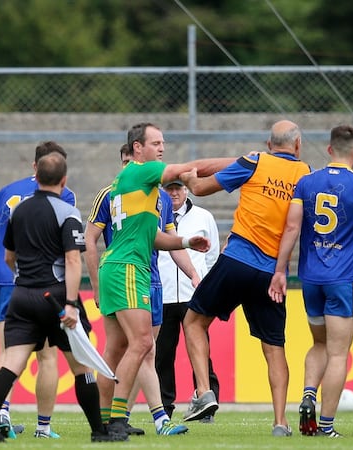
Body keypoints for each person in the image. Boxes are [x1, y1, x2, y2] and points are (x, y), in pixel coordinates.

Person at [0, 152, 125, 443]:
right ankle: (98, 431)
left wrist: (24, 278)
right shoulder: (66, 212)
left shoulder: (19, 211)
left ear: (37, 177)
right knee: (81, 366)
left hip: (21, 294)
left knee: (11, 362)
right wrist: (69, 304)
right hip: (54, 297)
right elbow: (72, 261)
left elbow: (8, 256)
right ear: (64, 180)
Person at [180, 119, 311, 436]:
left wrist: (183, 174)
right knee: (274, 348)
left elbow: (199, 188)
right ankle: (280, 422)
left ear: (269, 144)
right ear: (297, 145)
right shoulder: (305, 174)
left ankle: (204, 392)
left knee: (194, 321)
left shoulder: (254, 161)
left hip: (238, 259)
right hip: (272, 273)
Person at [100, 123, 229, 440]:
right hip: (129, 268)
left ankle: (103, 420)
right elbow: (188, 170)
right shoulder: (141, 172)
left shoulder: (128, 183)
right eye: (155, 142)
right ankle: (118, 418)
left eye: (163, 142)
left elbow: (154, 236)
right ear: (137, 149)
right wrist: (238, 163)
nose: (161, 147)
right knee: (144, 344)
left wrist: (185, 242)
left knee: (118, 349)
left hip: (120, 266)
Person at [268, 125, 353, 437]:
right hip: (342, 279)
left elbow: (292, 228)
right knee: (338, 352)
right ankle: (325, 425)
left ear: (328, 149)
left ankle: (309, 393)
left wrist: (280, 270)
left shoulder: (306, 182)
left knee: (319, 343)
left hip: (310, 278)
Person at [86, 143, 201, 435]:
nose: (129, 168)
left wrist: (192, 273)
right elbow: (90, 239)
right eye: (124, 162)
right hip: (125, 272)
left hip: (149, 277)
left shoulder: (160, 197)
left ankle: (115, 421)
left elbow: (166, 239)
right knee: (140, 347)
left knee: (135, 350)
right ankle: (144, 419)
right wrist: (95, 288)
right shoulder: (110, 192)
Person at [0, 141, 75, 438]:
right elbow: (66, 246)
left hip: (6, 281)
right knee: (47, 357)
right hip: (44, 286)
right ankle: (43, 427)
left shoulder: (5, 192)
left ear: (34, 166)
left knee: (7, 354)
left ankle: (1, 413)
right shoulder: (66, 195)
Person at [155, 179, 221, 422]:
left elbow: (212, 256)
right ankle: (163, 406)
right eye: (169, 189)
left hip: (194, 294)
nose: (173, 193)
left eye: (178, 188)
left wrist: (205, 283)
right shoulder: (154, 213)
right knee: (162, 355)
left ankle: (208, 402)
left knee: (201, 351)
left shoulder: (204, 216)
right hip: (164, 293)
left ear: (186, 190)